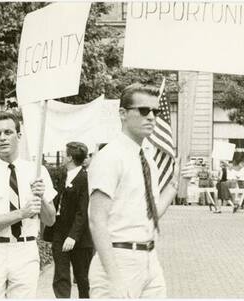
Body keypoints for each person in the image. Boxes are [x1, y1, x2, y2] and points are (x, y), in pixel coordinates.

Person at [87, 83, 181, 298]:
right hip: (118, 257)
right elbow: (96, 220)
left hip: (149, 258)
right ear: (123, 113)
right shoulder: (110, 157)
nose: (151, 117)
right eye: (143, 110)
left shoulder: (147, 157)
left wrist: (175, 184)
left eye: (155, 112)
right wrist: (114, 277)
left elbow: (152, 212)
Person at [0, 112, 57, 298]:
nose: (3, 138)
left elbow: (50, 220)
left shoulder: (37, 172)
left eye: (8, 132)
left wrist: (42, 198)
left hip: (26, 249)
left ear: (19, 135)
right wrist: (22, 213)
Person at [50, 142, 93, 298]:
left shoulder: (85, 179)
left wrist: (73, 236)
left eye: (64, 153)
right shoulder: (61, 176)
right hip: (59, 232)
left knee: (82, 279)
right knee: (61, 275)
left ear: (69, 157)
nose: (62, 156)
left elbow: (83, 211)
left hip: (80, 237)